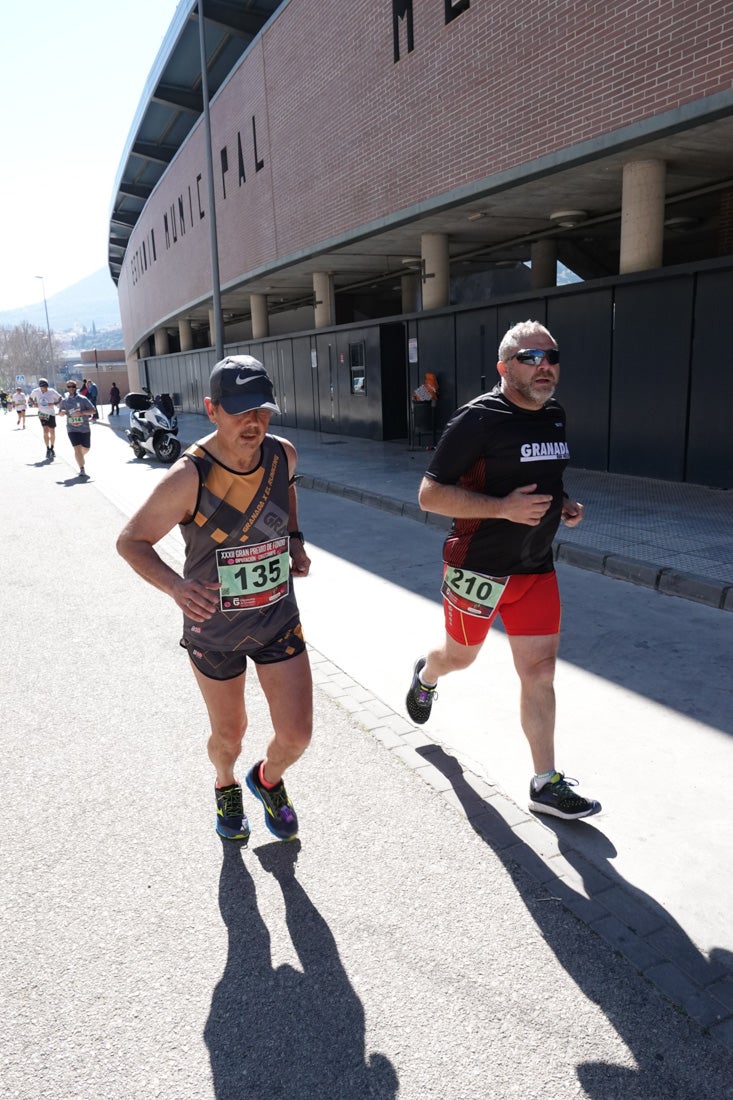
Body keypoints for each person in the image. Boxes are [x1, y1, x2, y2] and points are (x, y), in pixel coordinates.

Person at [405, 319, 600, 822]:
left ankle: (545, 782)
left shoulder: (553, 414)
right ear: (503, 367)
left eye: (552, 357)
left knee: (540, 672)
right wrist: (502, 509)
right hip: (477, 568)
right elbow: (429, 495)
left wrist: (565, 503)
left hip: (536, 567)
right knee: (459, 658)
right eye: (530, 358)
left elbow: (543, 477)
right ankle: (426, 676)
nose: (545, 367)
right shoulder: (477, 420)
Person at [116, 356, 313, 845]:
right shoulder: (189, 476)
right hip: (215, 629)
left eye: (262, 410)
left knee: (296, 736)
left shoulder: (282, 454)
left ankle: (266, 780)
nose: (254, 422)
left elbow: (286, 499)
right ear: (212, 409)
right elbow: (130, 541)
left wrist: (294, 540)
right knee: (231, 734)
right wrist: (177, 588)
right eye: (241, 410)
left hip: (276, 616)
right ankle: (225, 784)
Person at [58, 380, 95, 478]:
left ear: (76, 387)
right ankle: (82, 469)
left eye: (73, 386)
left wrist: (82, 413)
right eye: (69, 387)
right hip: (72, 429)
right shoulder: (65, 401)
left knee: (86, 448)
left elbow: (93, 410)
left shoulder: (83, 399)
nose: (71, 388)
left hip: (84, 428)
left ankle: (79, 456)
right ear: (66, 388)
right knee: (77, 449)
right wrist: (61, 413)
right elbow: (60, 412)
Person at [28, 379, 64, 457]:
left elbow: (60, 397)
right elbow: (30, 398)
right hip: (42, 413)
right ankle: (47, 448)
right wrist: (34, 403)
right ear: (40, 387)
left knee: (52, 432)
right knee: (45, 431)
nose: (45, 388)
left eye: (46, 386)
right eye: (43, 387)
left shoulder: (51, 391)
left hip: (51, 414)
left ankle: (52, 448)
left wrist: (54, 403)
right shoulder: (36, 391)